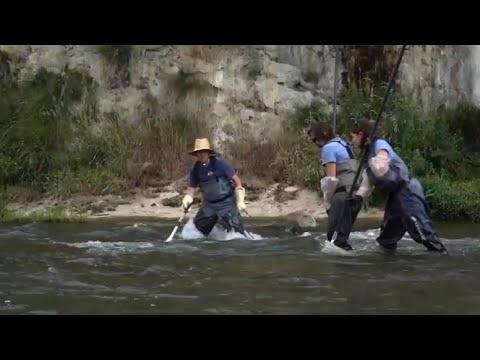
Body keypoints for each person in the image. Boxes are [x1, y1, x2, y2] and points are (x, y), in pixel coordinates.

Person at [349, 119, 448, 254]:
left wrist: (373, 157)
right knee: (387, 237)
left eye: (353, 137)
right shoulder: (368, 154)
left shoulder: (379, 144)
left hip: (407, 190)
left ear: (361, 134)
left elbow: (380, 168)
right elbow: (369, 181)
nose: (353, 141)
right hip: (395, 195)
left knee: (421, 230)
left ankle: (440, 254)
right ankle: (388, 264)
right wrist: (358, 197)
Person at [309, 121, 363, 250]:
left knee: (333, 242)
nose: (314, 143)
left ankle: (341, 269)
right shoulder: (345, 145)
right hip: (357, 195)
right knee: (342, 239)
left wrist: (327, 202)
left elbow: (331, 180)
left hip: (343, 196)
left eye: (314, 139)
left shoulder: (328, 148)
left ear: (322, 136)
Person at [181, 138, 248, 237]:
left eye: (203, 152)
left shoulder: (219, 163)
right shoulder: (195, 169)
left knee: (237, 234)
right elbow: (191, 189)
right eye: (198, 153)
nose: (201, 154)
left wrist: (240, 200)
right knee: (195, 233)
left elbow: (236, 180)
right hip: (209, 205)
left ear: (208, 152)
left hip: (227, 203)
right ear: (196, 155)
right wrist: (188, 198)